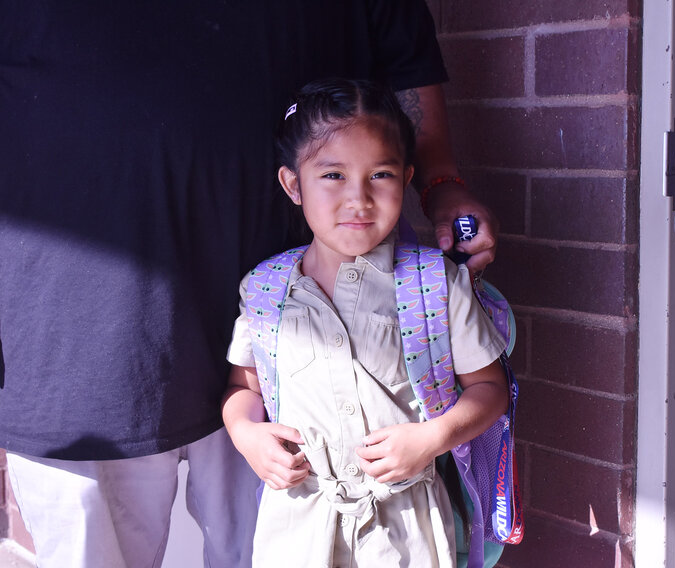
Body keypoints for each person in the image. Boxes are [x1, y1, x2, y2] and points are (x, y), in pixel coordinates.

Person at [0, 3, 498, 567]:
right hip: (77, 342)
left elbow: (405, 63)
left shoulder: (426, 290)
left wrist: (444, 185)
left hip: (300, 375)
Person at [222, 77, 509, 567]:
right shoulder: (265, 290)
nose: (359, 199)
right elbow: (242, 388)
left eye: (380, 175)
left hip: (407, 528)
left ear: (406, 176)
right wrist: (246, 434)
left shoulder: (434, 284)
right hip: (296, 525)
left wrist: (431, 439)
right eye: (333, 175)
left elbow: (490, 390)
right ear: (293, 184)